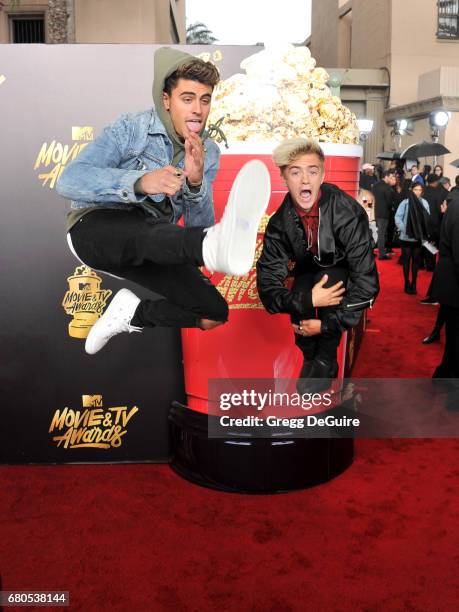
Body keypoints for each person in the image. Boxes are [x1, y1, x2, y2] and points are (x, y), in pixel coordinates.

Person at [57, 47, 268, 355]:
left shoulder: (207, 152)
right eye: (187, 98)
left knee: (212, 313)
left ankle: (131, 314)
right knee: (150, 232)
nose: (197, 109)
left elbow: (199, 225)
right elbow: (69, 180)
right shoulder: (133, 128)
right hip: (94, 231)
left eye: (205, 100)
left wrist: (196, 183)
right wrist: (140, 182)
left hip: (156, 243)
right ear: (167, 101)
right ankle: (215, 244)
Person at [256, 138, 379, 393]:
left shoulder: (347, 212)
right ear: (283, 177)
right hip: (308, 277)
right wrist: (308, 301)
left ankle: (326, 356)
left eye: (312, 171)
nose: (304, 180)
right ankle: (311, 355)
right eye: (295, 172)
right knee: (301, 284)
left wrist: (326, 326)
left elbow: (367, 283)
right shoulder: (279, 223)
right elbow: (267, 289)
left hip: (341, 278)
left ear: (322, 174)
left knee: (329, 276)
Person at [430, 198, 459, 407]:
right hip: (454, 282)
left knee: (454, 337)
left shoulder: (456, 203)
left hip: (451, 282)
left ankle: (444, 376)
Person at [394, 183, 431, 294]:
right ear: (412, 190)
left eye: (420, 190)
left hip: (418, 238)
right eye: (416, 189)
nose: (418, 192)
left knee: (416, 261)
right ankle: (406, 282)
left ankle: (414, 283)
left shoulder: (424, 203)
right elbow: (397, 217)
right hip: (406, 237)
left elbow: (427, 218)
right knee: (406, 260)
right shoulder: (405, 203)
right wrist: (404, 229)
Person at [372, 170, 396, 260]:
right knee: (381, 234)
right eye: (390, 177)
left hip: (375, 212)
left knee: (377, 233)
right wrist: (392, 207)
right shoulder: (387, 187)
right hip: (384, 213)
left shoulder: (375, 185)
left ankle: (376, 251)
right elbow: (390, 202)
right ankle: (382, 254)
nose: (391, 179)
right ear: (386, 177)